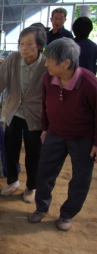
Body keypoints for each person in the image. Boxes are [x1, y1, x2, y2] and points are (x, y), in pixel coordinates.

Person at [28, 38, 97, 231]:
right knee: (45, 172)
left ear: (66, 63)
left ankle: (67, 214)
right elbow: (45, 105)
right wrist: (45, 128)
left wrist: (96, 143)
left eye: (50, 60)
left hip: (82, 138)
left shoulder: (90, 83)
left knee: (80, 178)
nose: (46, 63)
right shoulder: (48, 79)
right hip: (55, 133)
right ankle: (41, 208)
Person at [0, 26, 47, 203]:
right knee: (10, 148)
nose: (24, 48)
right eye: (21, 43)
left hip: (36, 115)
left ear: (39, 45)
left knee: (34, 152)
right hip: (14, 112)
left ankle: (31, 186)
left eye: (29, 44)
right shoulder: (14, 59)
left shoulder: (46, 64)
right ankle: (13, 181)